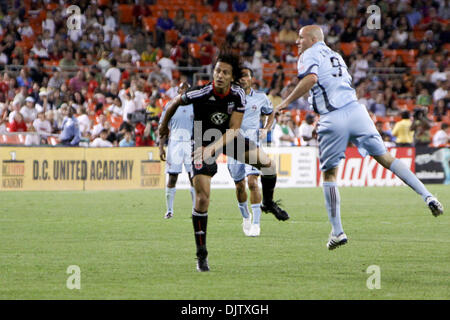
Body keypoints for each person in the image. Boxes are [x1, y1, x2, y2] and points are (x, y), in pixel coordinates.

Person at [275, 25, 443, 251]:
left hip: (332, 117)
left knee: (329, 174)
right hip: (356, 110)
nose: (297, 42)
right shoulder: (336, 55)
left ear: (313, 39)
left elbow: (312, 78)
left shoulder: (309, 54)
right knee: (386, 157)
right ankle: (428, 196)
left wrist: (285, 103)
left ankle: (337, 232)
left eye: (301, 38)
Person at [159, 49, 288, 272]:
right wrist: (162, 130)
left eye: (225, 72)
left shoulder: (237, 96)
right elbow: (174, 103)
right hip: (201, 138)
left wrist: (213, 148)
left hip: (225, 139)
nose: (219, 75)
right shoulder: (200, 92)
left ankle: (267, 203)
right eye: (217, 70)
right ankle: (202, 255)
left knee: (268, 165)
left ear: (231, 77)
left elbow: (233, 130)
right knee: (202, 199)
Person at [227, 67, 276, 237]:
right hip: (233, 147)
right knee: (240, 186)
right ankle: (246, 217)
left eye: (246, 76)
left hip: (253, 145)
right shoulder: (229, 98)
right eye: (240, 76)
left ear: (251, 79)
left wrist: (266, 129)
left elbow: (271, 114)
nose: (243, 79)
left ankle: (256, 224)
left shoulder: (261, 98)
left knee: (253, 183)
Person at [159, 82, 195, 219]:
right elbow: (162, 128)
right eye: (182, 89)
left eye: (187, 89)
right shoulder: (170, 106)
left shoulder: (194, 107)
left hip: (190, 144)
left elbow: (199, 127)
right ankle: (169, 210)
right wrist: (161, 147)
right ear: (178, 90)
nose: (184, 91)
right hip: (174, 144)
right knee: (172, 177)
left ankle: (195, 210)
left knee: (193, 177)